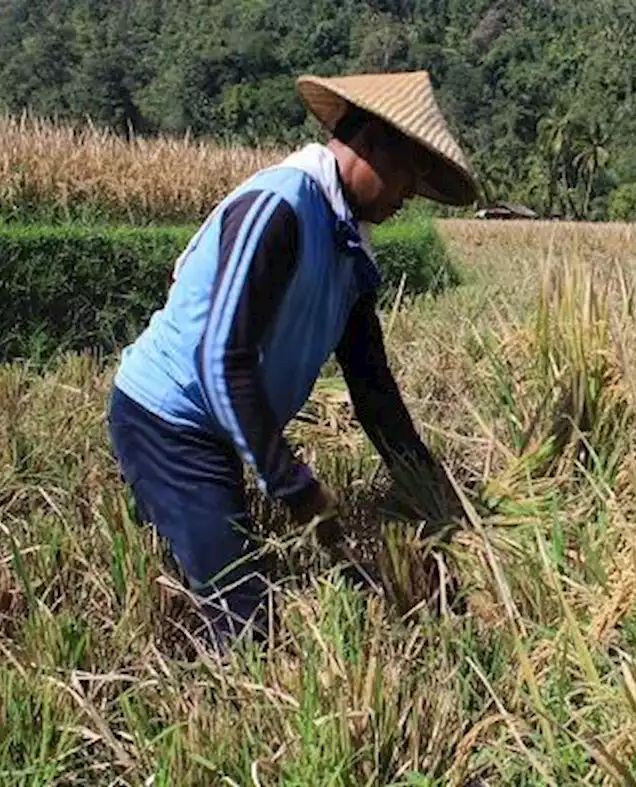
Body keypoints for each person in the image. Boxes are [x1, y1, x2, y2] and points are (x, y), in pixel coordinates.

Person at [106, 71, 477, 650]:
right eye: (411, 173)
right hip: (168, 422)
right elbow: (221, 359)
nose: (411, 194)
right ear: (374, 143)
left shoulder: (349, 247)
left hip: (220, 429)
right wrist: (293, 486)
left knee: (219, 549)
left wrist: (429, 486)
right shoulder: (279, 206)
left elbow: (371, 385)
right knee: (246, 623)